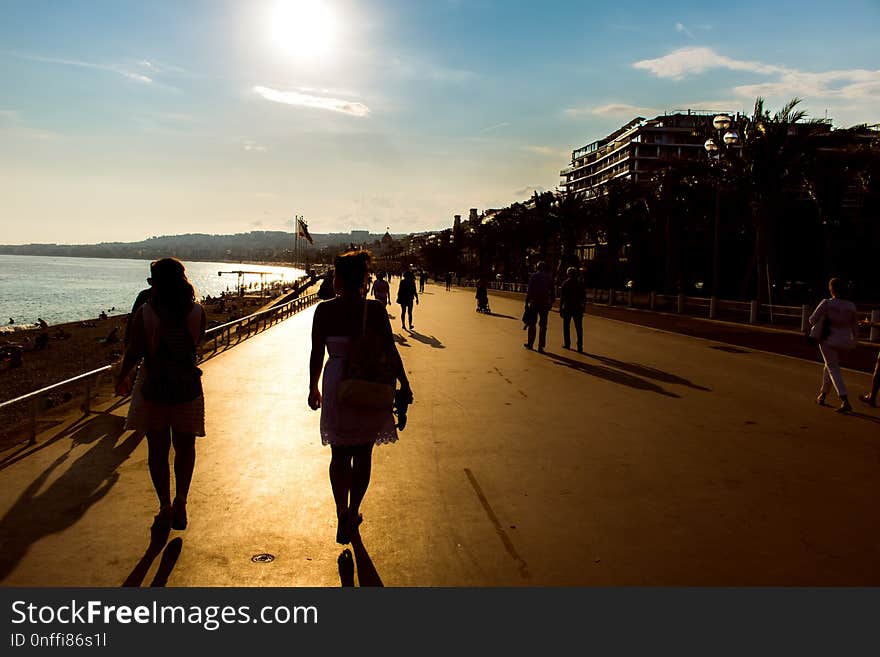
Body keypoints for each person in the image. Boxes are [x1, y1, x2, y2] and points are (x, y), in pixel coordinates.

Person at [308, 250, 413, 545]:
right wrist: (404, 384)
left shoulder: (325, 310)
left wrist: (312, 387)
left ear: (338, 278)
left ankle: (342, 512)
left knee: (339, 455)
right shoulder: (375, 311)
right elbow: (390, 352)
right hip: (369, 382)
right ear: (364, 279)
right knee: (363, 454)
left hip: (337, 384)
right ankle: (354, 511)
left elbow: (317, 353)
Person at [115, 258, 207, 531]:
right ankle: (182, 499)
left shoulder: (146, 312)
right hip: (187, 387)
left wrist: (122, 377)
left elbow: (134, 350)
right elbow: (197, 344)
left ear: (156, 283)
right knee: (185, 448)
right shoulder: (197, 312)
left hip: (154, 387)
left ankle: (164, 505)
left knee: (157, 450)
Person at [809, 277, 858, 413]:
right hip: (845, 342)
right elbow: (855, 326)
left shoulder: (827, 303)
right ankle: (822, 395)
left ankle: (844, 400)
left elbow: (812, 319)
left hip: (828, 340)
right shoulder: (850, 306)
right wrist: (854, 342)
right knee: (829, 366)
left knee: (832, 368)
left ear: (832, 289)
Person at [523, 261, 554, 353]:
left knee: (532, 324)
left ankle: (530, 343)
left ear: (537, 267)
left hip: (534, 303)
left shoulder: (534, 276)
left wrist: (526, 302)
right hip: (544, 303)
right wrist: (551, 302)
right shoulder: (549, 277)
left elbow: (530, 290)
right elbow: (552, 292)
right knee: (543, 326)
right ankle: (541, 346)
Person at [559, 267, 586, 352]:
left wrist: (560, 308)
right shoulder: (580, 284)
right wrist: (583, 308)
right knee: (579, 328)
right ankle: (580, 346)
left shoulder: (565, 283)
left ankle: (567, 344)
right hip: (577, 307)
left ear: (568, 274)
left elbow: (562, 298)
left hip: (567, 307)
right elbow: (583, 298)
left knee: (566, 326)